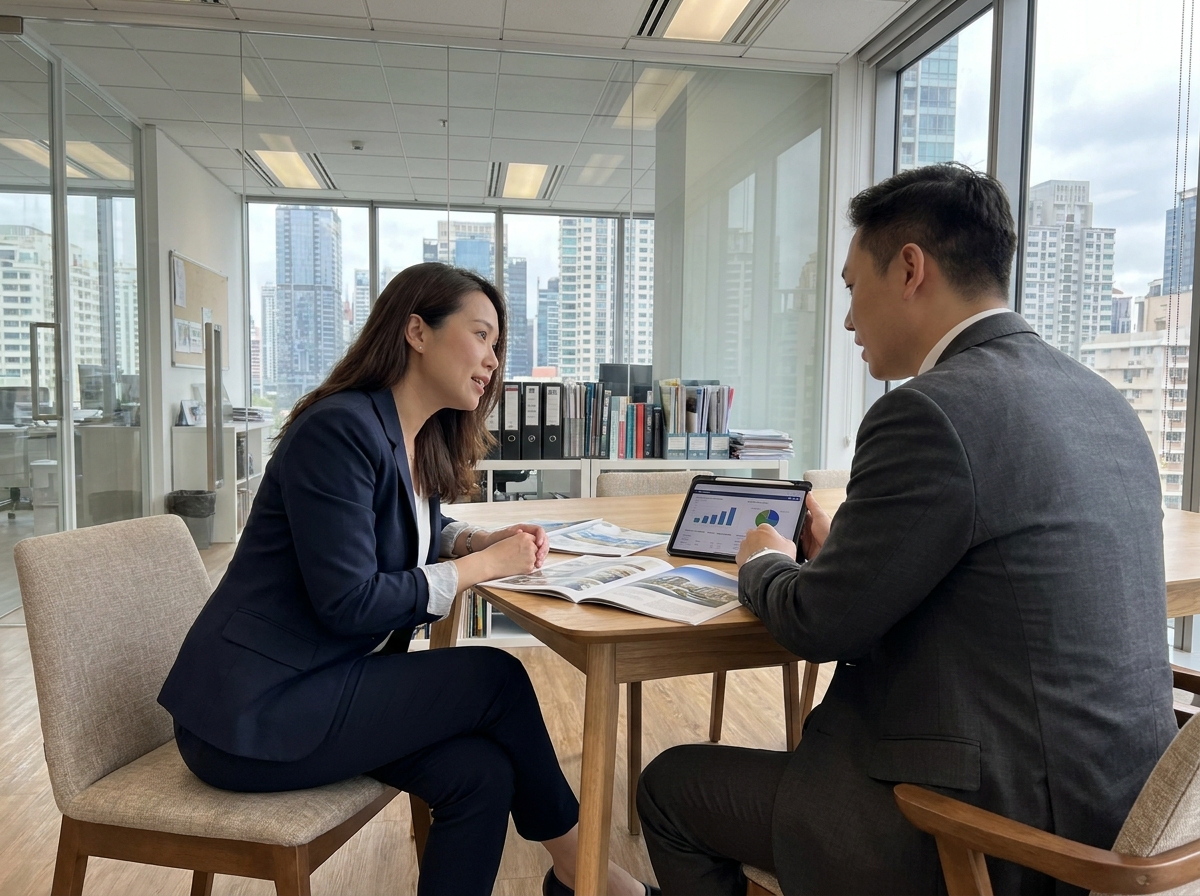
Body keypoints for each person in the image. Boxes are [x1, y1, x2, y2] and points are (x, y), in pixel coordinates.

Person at [636, 164, 1176, 894]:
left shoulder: (929, 410)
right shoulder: (1102, 402)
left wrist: (761, 557)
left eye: (854, 287)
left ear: (911, 269)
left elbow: (820, 625)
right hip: (1120, 813)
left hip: (988, 834)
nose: (851, 319)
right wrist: (846, 559)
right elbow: (1002, 591)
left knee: (670, 787)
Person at [159, 263, 652, 896]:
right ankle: (586, 875)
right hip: (251, 713)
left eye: (498, 345)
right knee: (495, 676)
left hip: (322, 684)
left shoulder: (410, 438)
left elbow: (412, 525)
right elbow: (348, 602)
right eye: (480, 336)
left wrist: (473, 540)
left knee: (480, 773)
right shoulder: (338, 430)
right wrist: (479, 568)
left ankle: (580, 875)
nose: (493, 360)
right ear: (416, 331)